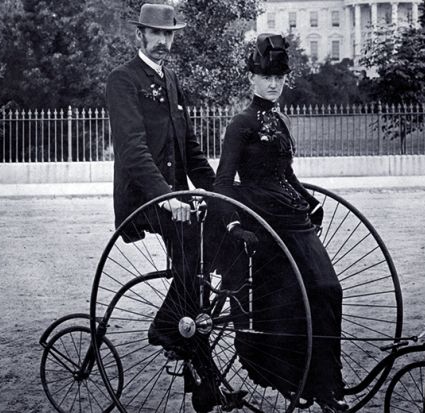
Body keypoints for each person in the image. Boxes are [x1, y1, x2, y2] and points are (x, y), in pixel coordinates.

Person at [213, 33, 348, 413]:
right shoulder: (240, 124)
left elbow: (285, 173)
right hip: (266, 228)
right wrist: (232, 226)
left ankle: (326, 381)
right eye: (265, 75)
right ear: (251, 78)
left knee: (328, 290)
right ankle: (305, 383)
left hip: (294, 220)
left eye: (279, 76)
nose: (273, 83)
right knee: (293, 305)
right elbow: (223, 182)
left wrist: (308, 200)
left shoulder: (281, 120)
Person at [105, 4, 218, 411]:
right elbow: (133, 152)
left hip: (176, 199)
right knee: (191, 248)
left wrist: (221, 190)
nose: (164, 42)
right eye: (156, 34)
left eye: (169, 35)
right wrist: (167, 198)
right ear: (140, 35)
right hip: (144, 199)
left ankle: (204, 383)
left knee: (203, 266)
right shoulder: (123, 80)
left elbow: (189, 149)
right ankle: (165, 328)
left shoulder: (171, 80)